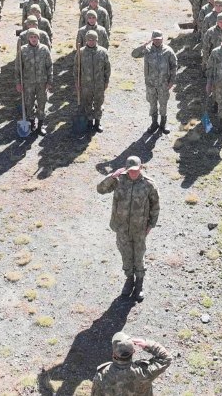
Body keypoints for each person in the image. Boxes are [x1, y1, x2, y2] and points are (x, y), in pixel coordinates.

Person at [96, 156, 160, 303]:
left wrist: (150, 225)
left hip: (139, 229)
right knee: (125, 255)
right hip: (122, 227)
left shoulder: (149, 184)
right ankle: (129, 279)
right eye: (130, 171)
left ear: (141, 167)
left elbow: (155, 206)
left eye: (136, 170)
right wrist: (112, 176)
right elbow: (100, 189)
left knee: (139, 256)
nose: (133, 173)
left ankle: (139, 284)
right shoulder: (118, 180)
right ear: (125, 169)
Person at [91, 333, 173, 395]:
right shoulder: (144, 372)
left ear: (113, 354)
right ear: (134, 352)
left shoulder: (102, 375)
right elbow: (166, 358)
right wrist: (147, 345)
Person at [131, 30, 178, 134]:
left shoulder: (168, 51)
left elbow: (174, 66)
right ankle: (154, 123)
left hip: (163, 84)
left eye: (159, 39)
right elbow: (134, 54)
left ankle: (163, 123)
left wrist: (171, 81)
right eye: (155, 39)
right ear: (152, 39)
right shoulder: (147, 50)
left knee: (163, 103)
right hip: (151, 84)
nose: (157, 41)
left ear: (162, 38)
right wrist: (143, 45)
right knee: (152, 103)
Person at [17, 29, 53, 133]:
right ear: (28, 38)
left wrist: (50, 81)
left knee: (42, 103)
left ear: (38, 38)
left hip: (42, 82)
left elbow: (49, 66)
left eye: (35, 37)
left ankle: (40, 125)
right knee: (29, 103)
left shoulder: (44, 49)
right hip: (28, 83)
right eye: (31, 37)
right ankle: (31, 123)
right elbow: (18, 68)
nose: (33, 39)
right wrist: (18, 82)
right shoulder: (23, 50)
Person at [76, 30, 112, 133]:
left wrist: (106, 81)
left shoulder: (103, 52)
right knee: (87, 103)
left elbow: (107, 68)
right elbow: (76, 69)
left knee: (98, 103)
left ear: (97, 40)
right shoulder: (81, 52)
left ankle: (97, 122)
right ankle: (89, 121)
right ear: (86, 40)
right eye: (89, 40)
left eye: (93, 40)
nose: (91, 42)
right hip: (85, 84)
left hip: (99, 84)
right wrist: (77, 83)